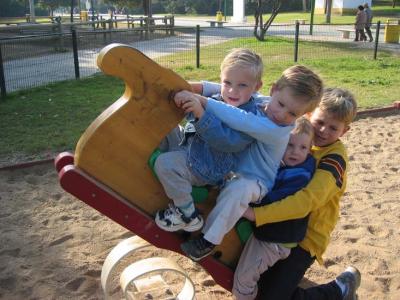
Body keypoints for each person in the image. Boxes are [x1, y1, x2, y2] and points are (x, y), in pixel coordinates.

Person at [178, 65, 324, 261]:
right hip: (229, 172)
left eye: (292, 114)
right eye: (280, 104)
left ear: (302, 116)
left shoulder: (275, 129)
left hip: (256, 181)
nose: (282, 115)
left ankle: (208, 241)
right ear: (273, 90)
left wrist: (203, 101)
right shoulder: (262, 102)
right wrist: (195, 87)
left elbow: (242, 120)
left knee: (239, 190)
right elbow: (237, 91)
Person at [243, 88, 360, 299]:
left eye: (333, 128)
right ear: (308, 114)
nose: (323, 131)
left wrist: (257, 215)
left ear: (345, 131)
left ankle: (339, 289)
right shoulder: (300, 139)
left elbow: (307, 201)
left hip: (306, 237)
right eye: (320, 122)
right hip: (280, 226)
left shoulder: (334, 159)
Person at [154, 48, 263, 232]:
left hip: (207, 167)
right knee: (163, 125)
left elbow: (227, 142)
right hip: (191, 146)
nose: (232, 90)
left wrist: (200, 113)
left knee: (165, 164)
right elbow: (196, 112)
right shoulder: (219, 97)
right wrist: (185, 102)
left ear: (257, 87)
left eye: (242, 85)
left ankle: (187, 213)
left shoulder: (250, 118)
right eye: (227, 82)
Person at [232, 116, 316, 300]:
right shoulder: (287, 165)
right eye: (290, 145)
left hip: (274, 241)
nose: (295, 152)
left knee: (242, 282)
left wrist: (248, 204)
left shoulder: (299, 175)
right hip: (271, 233)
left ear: (310, 150)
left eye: (303, 147)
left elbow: (273, 198)